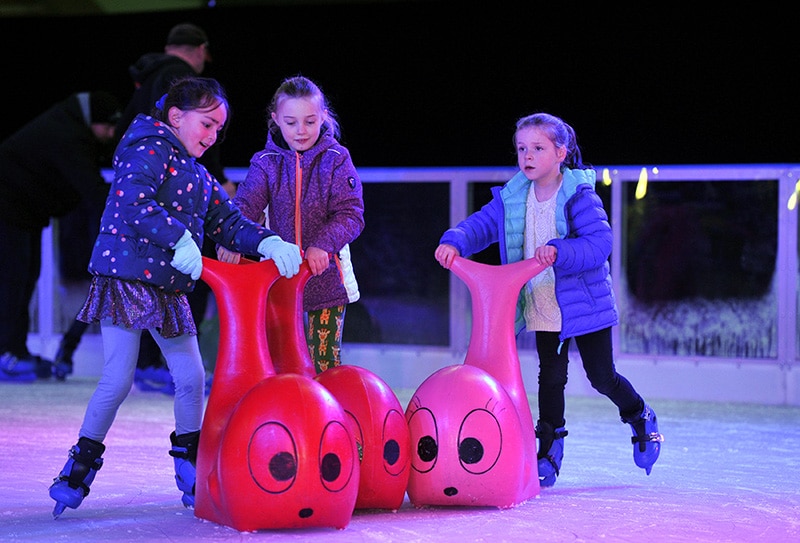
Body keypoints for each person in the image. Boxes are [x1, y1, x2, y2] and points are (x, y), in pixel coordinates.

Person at [48, 76, 302, 517]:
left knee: (190, 376)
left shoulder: (200, 176)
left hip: (167, 286)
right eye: (206, 124)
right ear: (176, 116)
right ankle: (79, 465)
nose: (212, 135)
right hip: (127, 275)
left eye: (218, 130)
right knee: (118, 376)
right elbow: (133, 202)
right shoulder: (145, 148)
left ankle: (189, 462)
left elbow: (228, 224)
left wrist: (267, 243)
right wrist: (181, 240)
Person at [434, 112, 663, 487]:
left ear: (561, 152)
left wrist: (560, 250)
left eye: (537, 148)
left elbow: (599, 244)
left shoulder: (578, 195)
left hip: (585, 304)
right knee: (550, 378)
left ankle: (640, 415)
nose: (527, 156)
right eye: (522, 148)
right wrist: (454, 240)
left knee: (601, 376)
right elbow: (482, 224)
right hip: (542, 301)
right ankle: (549, 447)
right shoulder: (515, 195)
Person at [218, 75, 364, 374]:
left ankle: (328, 421)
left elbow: (351, 213)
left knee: (324, 363)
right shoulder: (265, 161)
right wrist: (231, 239)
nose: (301, 131)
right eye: (291, 122)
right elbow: (245, 206)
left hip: (326, 281)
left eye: (310, 121)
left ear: (323, 116)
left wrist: (323, 244)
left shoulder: (336, 158)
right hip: (276, 282)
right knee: (280, 364)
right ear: (276, 120)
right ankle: (283, 421)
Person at [116, 21, 233, 392]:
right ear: (199, 50)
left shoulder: (146, 79)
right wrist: (215, 180)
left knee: (146, 277)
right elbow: (191, 147)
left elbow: (128, 128)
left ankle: (149, 365)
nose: (212, 134)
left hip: (146, 205)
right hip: (171, 195)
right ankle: (163, 368)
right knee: (185, 273)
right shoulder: (184, 82)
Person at [0, 91, 122, 382]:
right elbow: (90, 187)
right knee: (13, 278)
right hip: (8, 209)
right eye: (107, 127)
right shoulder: (67, 135)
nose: (109, 135)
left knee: (25, 276)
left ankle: (15, 350)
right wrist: (128, 202)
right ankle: (6, 353)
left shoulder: (70, 125)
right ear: (93, 121)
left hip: (21, 212)